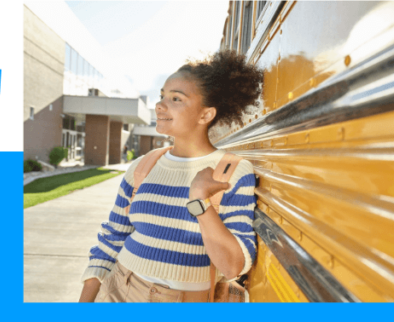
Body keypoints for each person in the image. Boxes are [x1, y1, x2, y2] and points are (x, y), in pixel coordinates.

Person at [77, 50, 263, 302]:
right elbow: (111, 239)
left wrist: (200, 202)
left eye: (176, 98)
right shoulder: (144, 166)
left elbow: (233, 267)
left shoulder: (232, 171)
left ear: (205, 115)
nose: (160, 105)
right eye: (162, 96)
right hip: (119, 290)